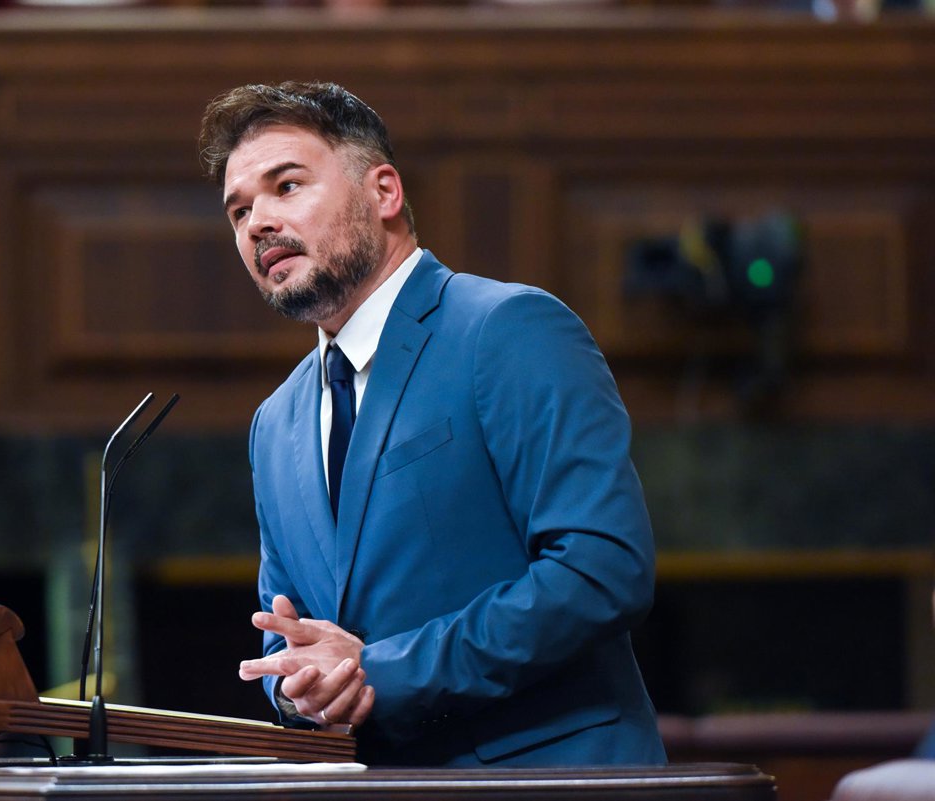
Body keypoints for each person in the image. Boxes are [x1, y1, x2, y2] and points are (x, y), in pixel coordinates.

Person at [198, 81, 665, 767]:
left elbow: (602, 571)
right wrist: (300, 691)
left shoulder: (506, 329)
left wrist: (380, 673)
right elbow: (287, 638)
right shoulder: (274, 423)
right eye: (239, 211)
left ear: (384, 192)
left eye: (287, 186)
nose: (257, 224)